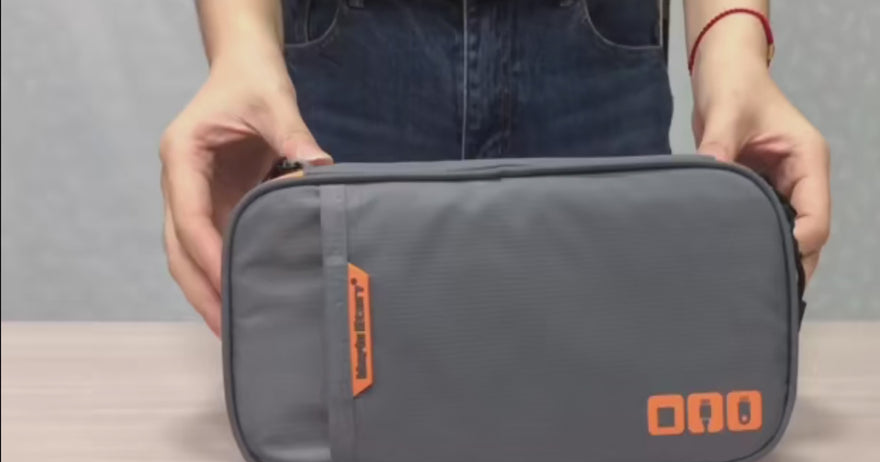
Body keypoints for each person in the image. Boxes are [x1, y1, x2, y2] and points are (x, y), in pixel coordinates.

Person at [160, 0, 830, 336]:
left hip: (593, 44)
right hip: (350, 47)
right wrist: (239, 48)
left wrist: (732, 47)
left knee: (614, 404)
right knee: (339, 413)